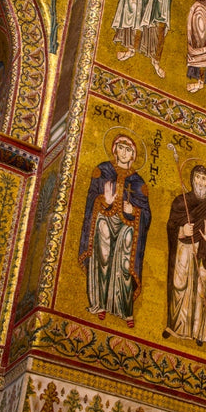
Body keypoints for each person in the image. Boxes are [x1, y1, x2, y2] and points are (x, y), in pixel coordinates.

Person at [79, 134, 151, 325]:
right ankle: (99, 303)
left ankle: (123, 308)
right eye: (121, 147)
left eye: (129, 150)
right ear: (114, 149)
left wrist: (134, 211)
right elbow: (90, 199)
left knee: (125, 263)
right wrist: (104, 201)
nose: (124, 153)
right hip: (104, 219)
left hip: (127, 227)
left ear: (133, 155)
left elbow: (146, 214)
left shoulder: (139, 182)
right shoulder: (102, 171)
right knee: (102, 255)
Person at [164, 164, 206, 348]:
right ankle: (176, 327)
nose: (200, 182)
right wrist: (182, 230)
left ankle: (199, 331)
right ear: (192, 179)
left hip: (202, 255)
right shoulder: (180, 203)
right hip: (183, 251)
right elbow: (171, 226)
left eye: (204, 178)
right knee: (179, 286)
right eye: (197, 177)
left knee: (200, 292)